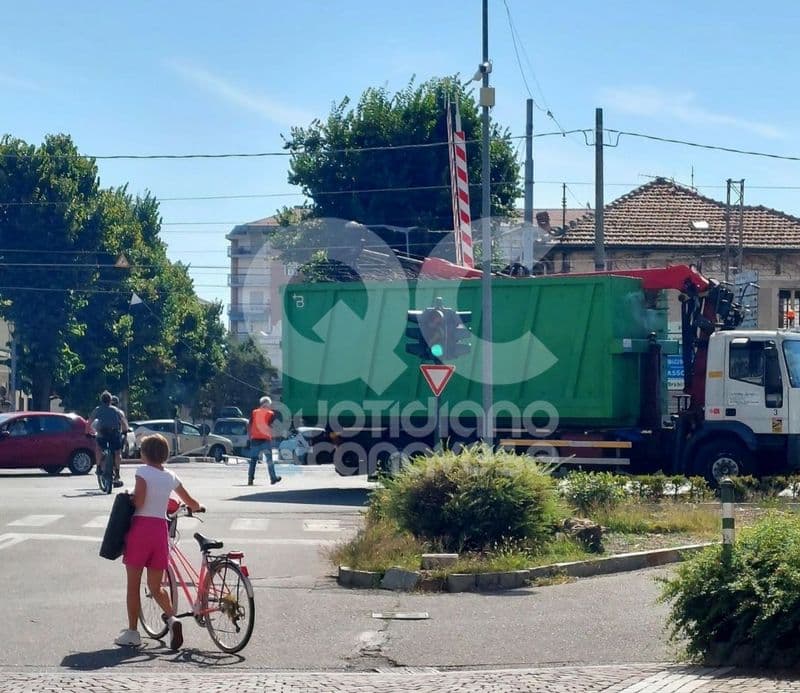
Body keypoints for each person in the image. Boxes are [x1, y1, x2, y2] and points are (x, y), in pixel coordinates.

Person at [114, 433, 203, 649]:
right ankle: (173, 618)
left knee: (133, 585)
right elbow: (191, 502)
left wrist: (130, 497)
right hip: (160, 531)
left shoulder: (142, 472)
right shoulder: (171, 476)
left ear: (145, 454)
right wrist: (195, 507)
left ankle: (133, 632)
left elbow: (141, 500)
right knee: (156, 586)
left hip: (141, 529)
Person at [90, 391, 127, 488]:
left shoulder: (97, 410)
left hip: (102, 434)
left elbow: (89, 422)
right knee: (118, 452)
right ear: (110, 400)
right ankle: (117, 472)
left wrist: (88, 432)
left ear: (101, 400)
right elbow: (123, 422)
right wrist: (125, 431)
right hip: (114, 434)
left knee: (98, 448)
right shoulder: (117, 410)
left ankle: (98, 467)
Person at [247, 396, 281, 486]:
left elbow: (249, 424)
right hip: (265, 440)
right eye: (269, 404)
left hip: (255, 439)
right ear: (266, 403)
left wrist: (250, 436)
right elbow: (273, 426)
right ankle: (273, 478)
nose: (270, 406)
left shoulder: (254, 412)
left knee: (253, 460)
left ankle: (250, 479)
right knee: (269, 460)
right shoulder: (270, 413)